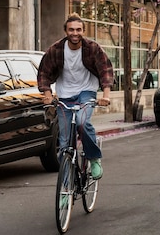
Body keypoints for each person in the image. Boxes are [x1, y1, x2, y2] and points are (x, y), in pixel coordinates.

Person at [38, 13, 113, 179]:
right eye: (71, 29)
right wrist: (48, 94)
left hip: (86, 92)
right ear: (65, 31)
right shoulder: (56, 49)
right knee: (64, 144)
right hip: (65, 96)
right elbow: (44, 72)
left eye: (78, 29)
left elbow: (105, 70)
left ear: (83, 31)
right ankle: (65, 190)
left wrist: (106, 96)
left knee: (81, 122)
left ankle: (93, 158)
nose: (75, 33)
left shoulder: (92, 48)